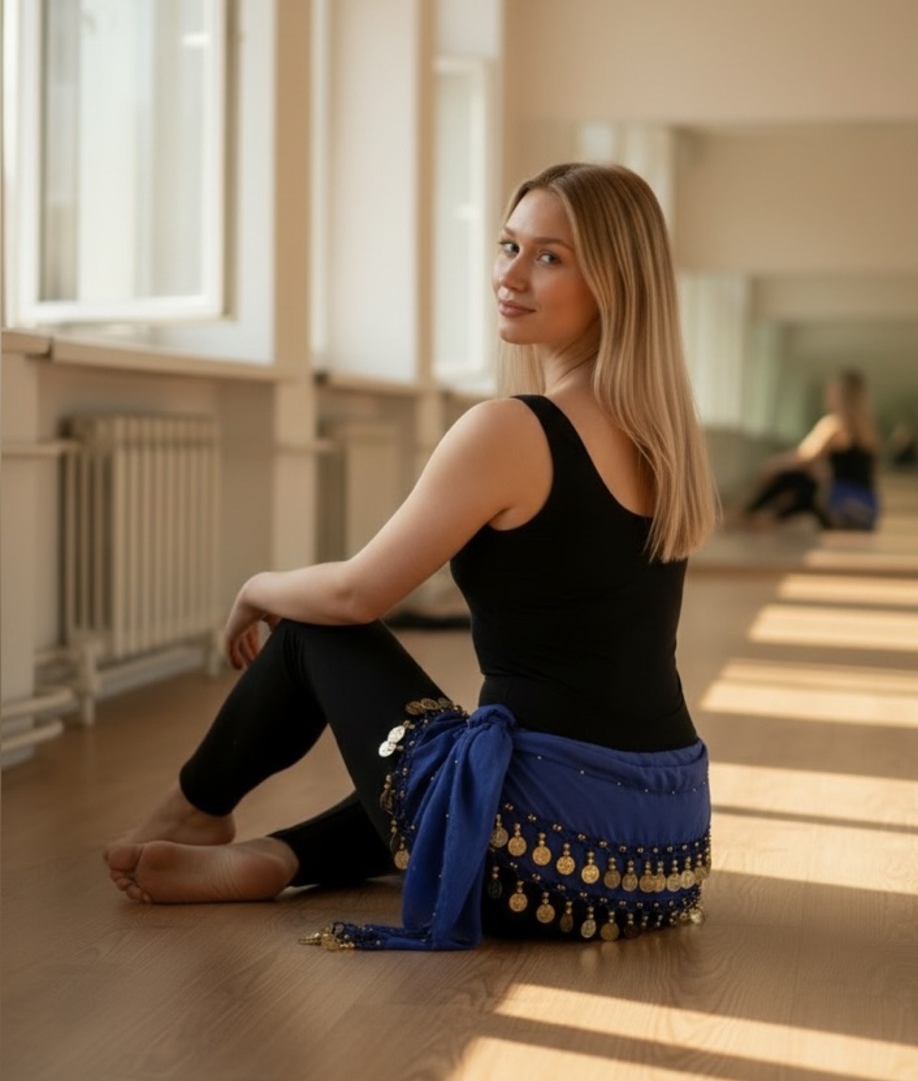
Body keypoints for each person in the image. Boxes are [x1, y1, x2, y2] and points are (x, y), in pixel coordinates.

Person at [106, 162, 719, 951]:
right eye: (509, 245)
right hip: (663, 849)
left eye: (550, 257)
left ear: (615, 283)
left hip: (545, 864)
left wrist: (259, 585)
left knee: (314, 628)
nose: (511, 275)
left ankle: (196, 809)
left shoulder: (513, 430)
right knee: (469, 745)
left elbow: (356, 594)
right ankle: (282, 855)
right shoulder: (665, 440)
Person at [742, 369, 881, 531]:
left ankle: (750, 514)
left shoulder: (834, 426)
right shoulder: (869, 431)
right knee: (809, 482)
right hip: (867, 513)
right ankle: (764, 516)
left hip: (842, 507)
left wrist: (772, 466)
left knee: (799, 480)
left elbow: (803, 457)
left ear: (839, 396)